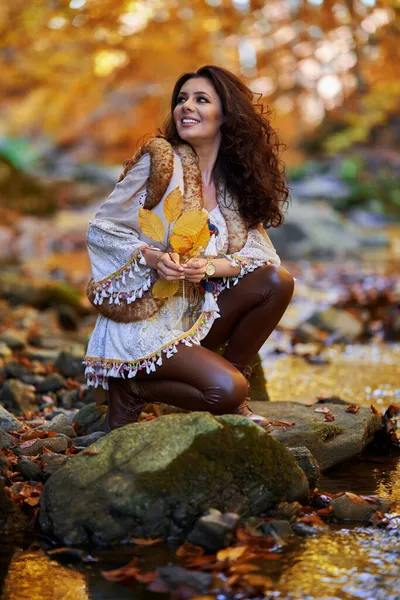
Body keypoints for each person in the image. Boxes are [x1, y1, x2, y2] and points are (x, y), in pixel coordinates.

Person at [84, 65, 294, 431]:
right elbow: (101, 230)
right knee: (225, 389)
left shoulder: (233, 182)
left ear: (226, 115)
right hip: (146, 320)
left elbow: (261, 258)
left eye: (201, 99)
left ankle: (234, 390)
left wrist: (209, 267)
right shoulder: (160, 161)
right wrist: (152, 258)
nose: (186, 107)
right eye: (181, 99)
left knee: (277, 281)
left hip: (194, 314)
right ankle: (131, 389)